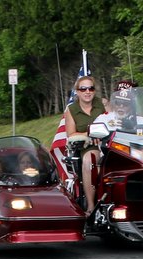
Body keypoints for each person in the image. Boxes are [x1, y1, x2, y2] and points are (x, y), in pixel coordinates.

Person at [62, 76, 107, 213]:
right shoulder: (71, 110)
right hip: (89, 146)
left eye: (91, 88)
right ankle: (91, 205)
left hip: (109, 143)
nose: (87, 92)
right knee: (88, 161)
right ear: (77, 91)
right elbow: (71, 134)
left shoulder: (103, 103)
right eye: (83, 89)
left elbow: (115, 120)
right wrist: (90, 135)